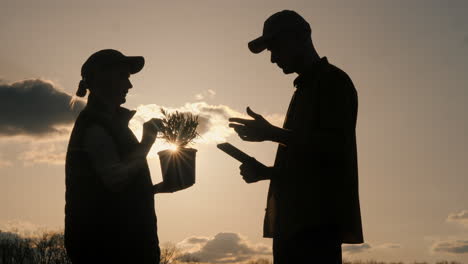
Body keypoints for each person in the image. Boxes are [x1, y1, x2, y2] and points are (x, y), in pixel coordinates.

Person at [229, 10, 364, 264]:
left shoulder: (333, 82)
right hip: (293, 225)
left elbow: (334, 147)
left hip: (316, 227)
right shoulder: (306, 88)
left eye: (275, 47)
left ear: (300, 38)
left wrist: (272, 134)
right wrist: (266, 172)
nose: (272, 59)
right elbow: (310, 162)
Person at [65, 49, 168, 264]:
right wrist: (147, 141)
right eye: (123, 77)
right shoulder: (94, 125)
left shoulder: (113, 124)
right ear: (103, 78)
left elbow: (117, 183)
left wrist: (156, 188)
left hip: (125, 247)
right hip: (109, 249)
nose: (129, 86)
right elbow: (116, 179)